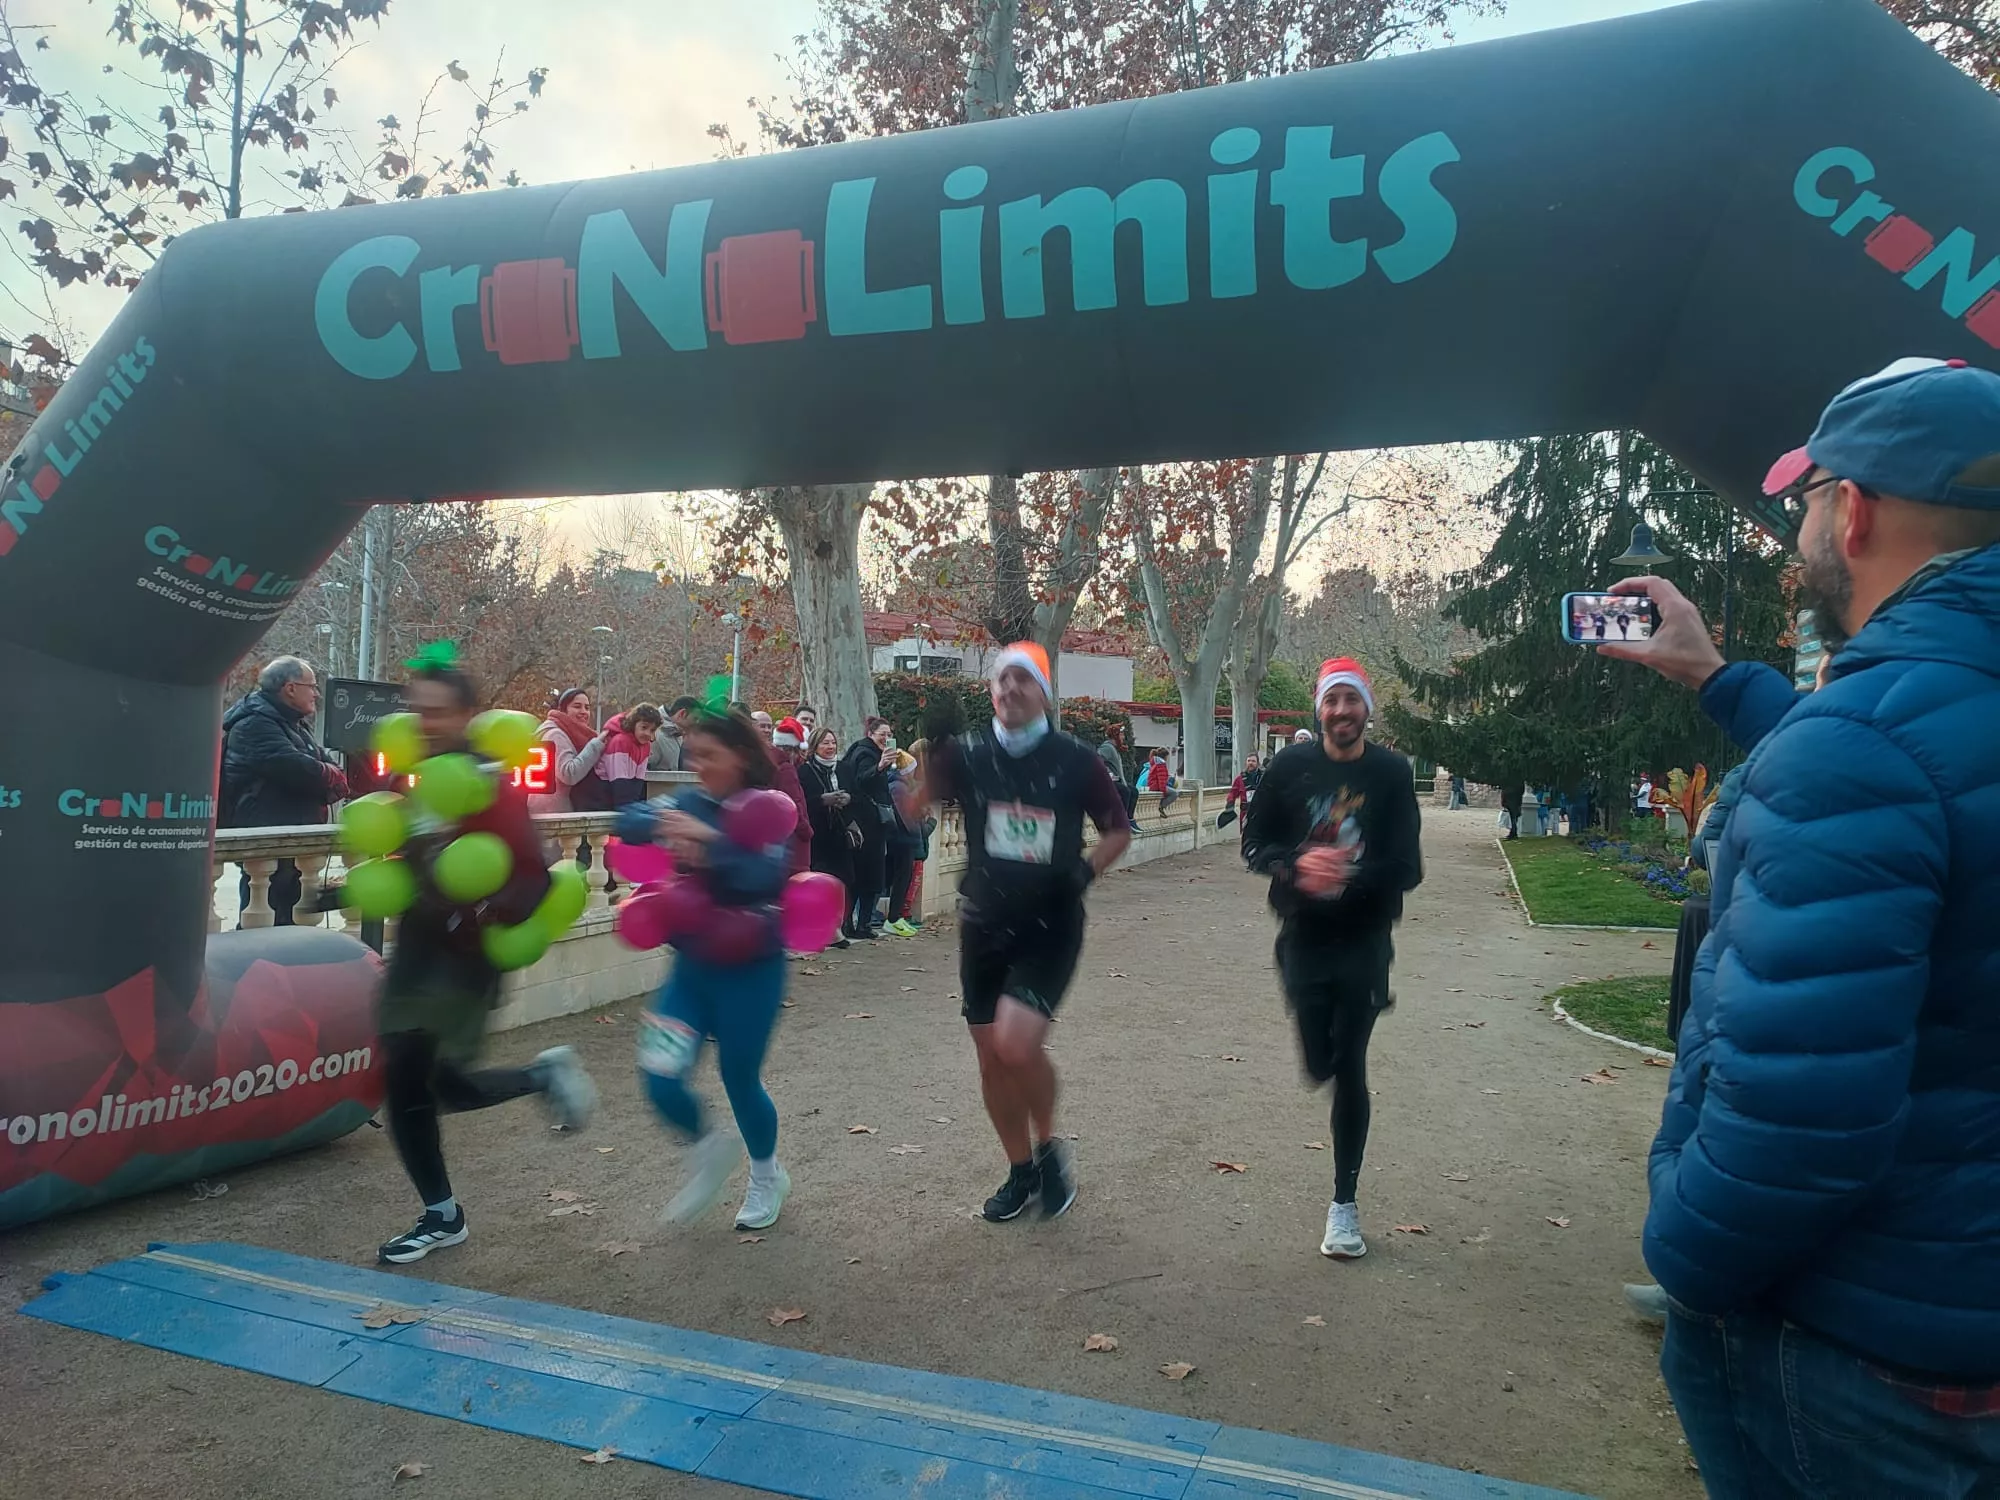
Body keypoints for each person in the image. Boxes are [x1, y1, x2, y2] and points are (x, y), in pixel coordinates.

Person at [1600, 356, 2000, 1493]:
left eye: (1806, 504)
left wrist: (1681, 1254)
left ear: (1857, 511)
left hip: (1862, 1364)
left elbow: (1799, 1122)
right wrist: (1718, 679)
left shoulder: (1861, 744)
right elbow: (1929, 767)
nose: (1798, 536)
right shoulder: (1898, 723)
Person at [373, 647, 597, 1265]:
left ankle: (442, 1214)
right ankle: (444, 1211)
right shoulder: (414, 777)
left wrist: (477, 910)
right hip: (417, 949)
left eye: (438, 713)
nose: (425, 723)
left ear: (467, 715)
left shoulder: (489, 784)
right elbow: (410, 859)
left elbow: (530, 872)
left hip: (465, 959)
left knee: (421, 1081)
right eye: (418, 711)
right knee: (423, 1084)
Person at [910, 644, 1130, 1222]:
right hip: (984, 922)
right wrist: (927, 761)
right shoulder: (970, 753)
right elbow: (913, 812)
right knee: (990, 1058)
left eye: (1022, 681)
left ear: (1042, 694)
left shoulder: (1077, 760)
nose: (1009, 689)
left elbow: (1117, 831)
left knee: (1016, 1043)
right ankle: (1020, 1170)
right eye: (1000, 681)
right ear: (991, 693)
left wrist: (1082, 872)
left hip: (1049, 923)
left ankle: (1050, 1143)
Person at [1241, 657, 1422, 1261]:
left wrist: (1348, 872)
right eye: (1332, 701)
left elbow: (1408, 867)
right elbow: (1254, 841)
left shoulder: (1392, 773)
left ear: (1367, 708)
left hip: (1365, 941)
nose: (1342, 711)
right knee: (1319, 1062)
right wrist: (1293, 866)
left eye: (1352, 700)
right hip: (1303, 937)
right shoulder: (1290, 767)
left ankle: (1343, 1206)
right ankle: (1320, 1059)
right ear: (1319, 709)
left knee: (1350, 1067)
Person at [615, 708, 795, 1230]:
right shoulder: (689, 801)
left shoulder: (765, 811)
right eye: (694, 756)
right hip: (691, 971)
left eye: (709, 757)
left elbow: (766, 875)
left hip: (751, 973)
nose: (699, 767)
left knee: (739, 1077)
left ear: (740, 757)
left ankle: (767, 1175)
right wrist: (661, 821)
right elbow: (630, 817)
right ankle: (710, 1148)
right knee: (659, 1074)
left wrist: (712, 841)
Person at [220, 656, 348, 926]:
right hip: (268, 843)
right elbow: (300, 770)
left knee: (288, 922)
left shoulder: (291, 722)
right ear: (290, 688)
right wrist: (327, 775)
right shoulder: (254, 724)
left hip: (293, 845)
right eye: (311, 686)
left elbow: (326, 767)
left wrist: (328, 774)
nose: (316, 693)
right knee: (264, 926)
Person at [839, 717, 897, 940]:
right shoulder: (865, 753)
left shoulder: (862, 750)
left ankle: (855, 923)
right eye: (883, 733)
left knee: (865, 876)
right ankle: (858, 923)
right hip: (867, 823)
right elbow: (861, 779)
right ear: (871, 733)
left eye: (889, 734)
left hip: (869, 822)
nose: (886, 738)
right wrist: (880, 766)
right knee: (867, 876)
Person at [797, 727, 855, 950]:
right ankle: (822, 929)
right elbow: (802, 802)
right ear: (815, 746)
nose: (830, 747)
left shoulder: (844, 768)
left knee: (843, 881)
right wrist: (823, 800)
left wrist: (848, 798)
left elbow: (859, 795)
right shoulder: (806, 771)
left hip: (841, 833)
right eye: (825, 743)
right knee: (819, 882)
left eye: (832, 743)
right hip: (818, 834)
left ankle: (836, 925)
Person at [528, 688, 608, 815]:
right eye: (577, 706)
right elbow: (568, 774)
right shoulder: (555, 735)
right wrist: (594, 746)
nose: (584, 712)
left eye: (587, 707)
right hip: (552, 814)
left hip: (553, 811)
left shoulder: (567, 734)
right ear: (563, 710)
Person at [882, 743, 924, 938]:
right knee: (901, 879)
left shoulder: (899, 786)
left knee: (901, 879)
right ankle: (893, 918)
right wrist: (917, 831)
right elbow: (905, 816)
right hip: (902, 841)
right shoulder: (898, 787)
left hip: (902, 839)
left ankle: (895, 917)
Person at [769, 717, 814, 876]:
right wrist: (807, 831)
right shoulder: (786, 769)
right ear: (792, 750)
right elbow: (794, 805)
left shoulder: (769, 764)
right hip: (793, 845)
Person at [595, 703, 663, 807]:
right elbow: (618, 780)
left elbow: (639, 780)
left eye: (652, 730)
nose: (648, 733)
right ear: (633, 724)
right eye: (644, 727)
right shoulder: (620, 742)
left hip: (624, 794)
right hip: (603, 794)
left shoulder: (646, 746)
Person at [648, 696, 701, 773]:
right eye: (695, 719)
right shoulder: (655, 735)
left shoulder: (677, 735)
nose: (696, 723)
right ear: (682, 714)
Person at [1222, 754, 1262, 831]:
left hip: (1260, 813)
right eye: (1249, 761)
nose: (1250, 763)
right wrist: (1230, 803)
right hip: (1245, 814)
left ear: (1257, 763)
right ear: (1246, 762)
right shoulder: (1240, 779)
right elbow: (1233, 793)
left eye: (1253, 761)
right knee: (1245, 837)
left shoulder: (1263, 778)